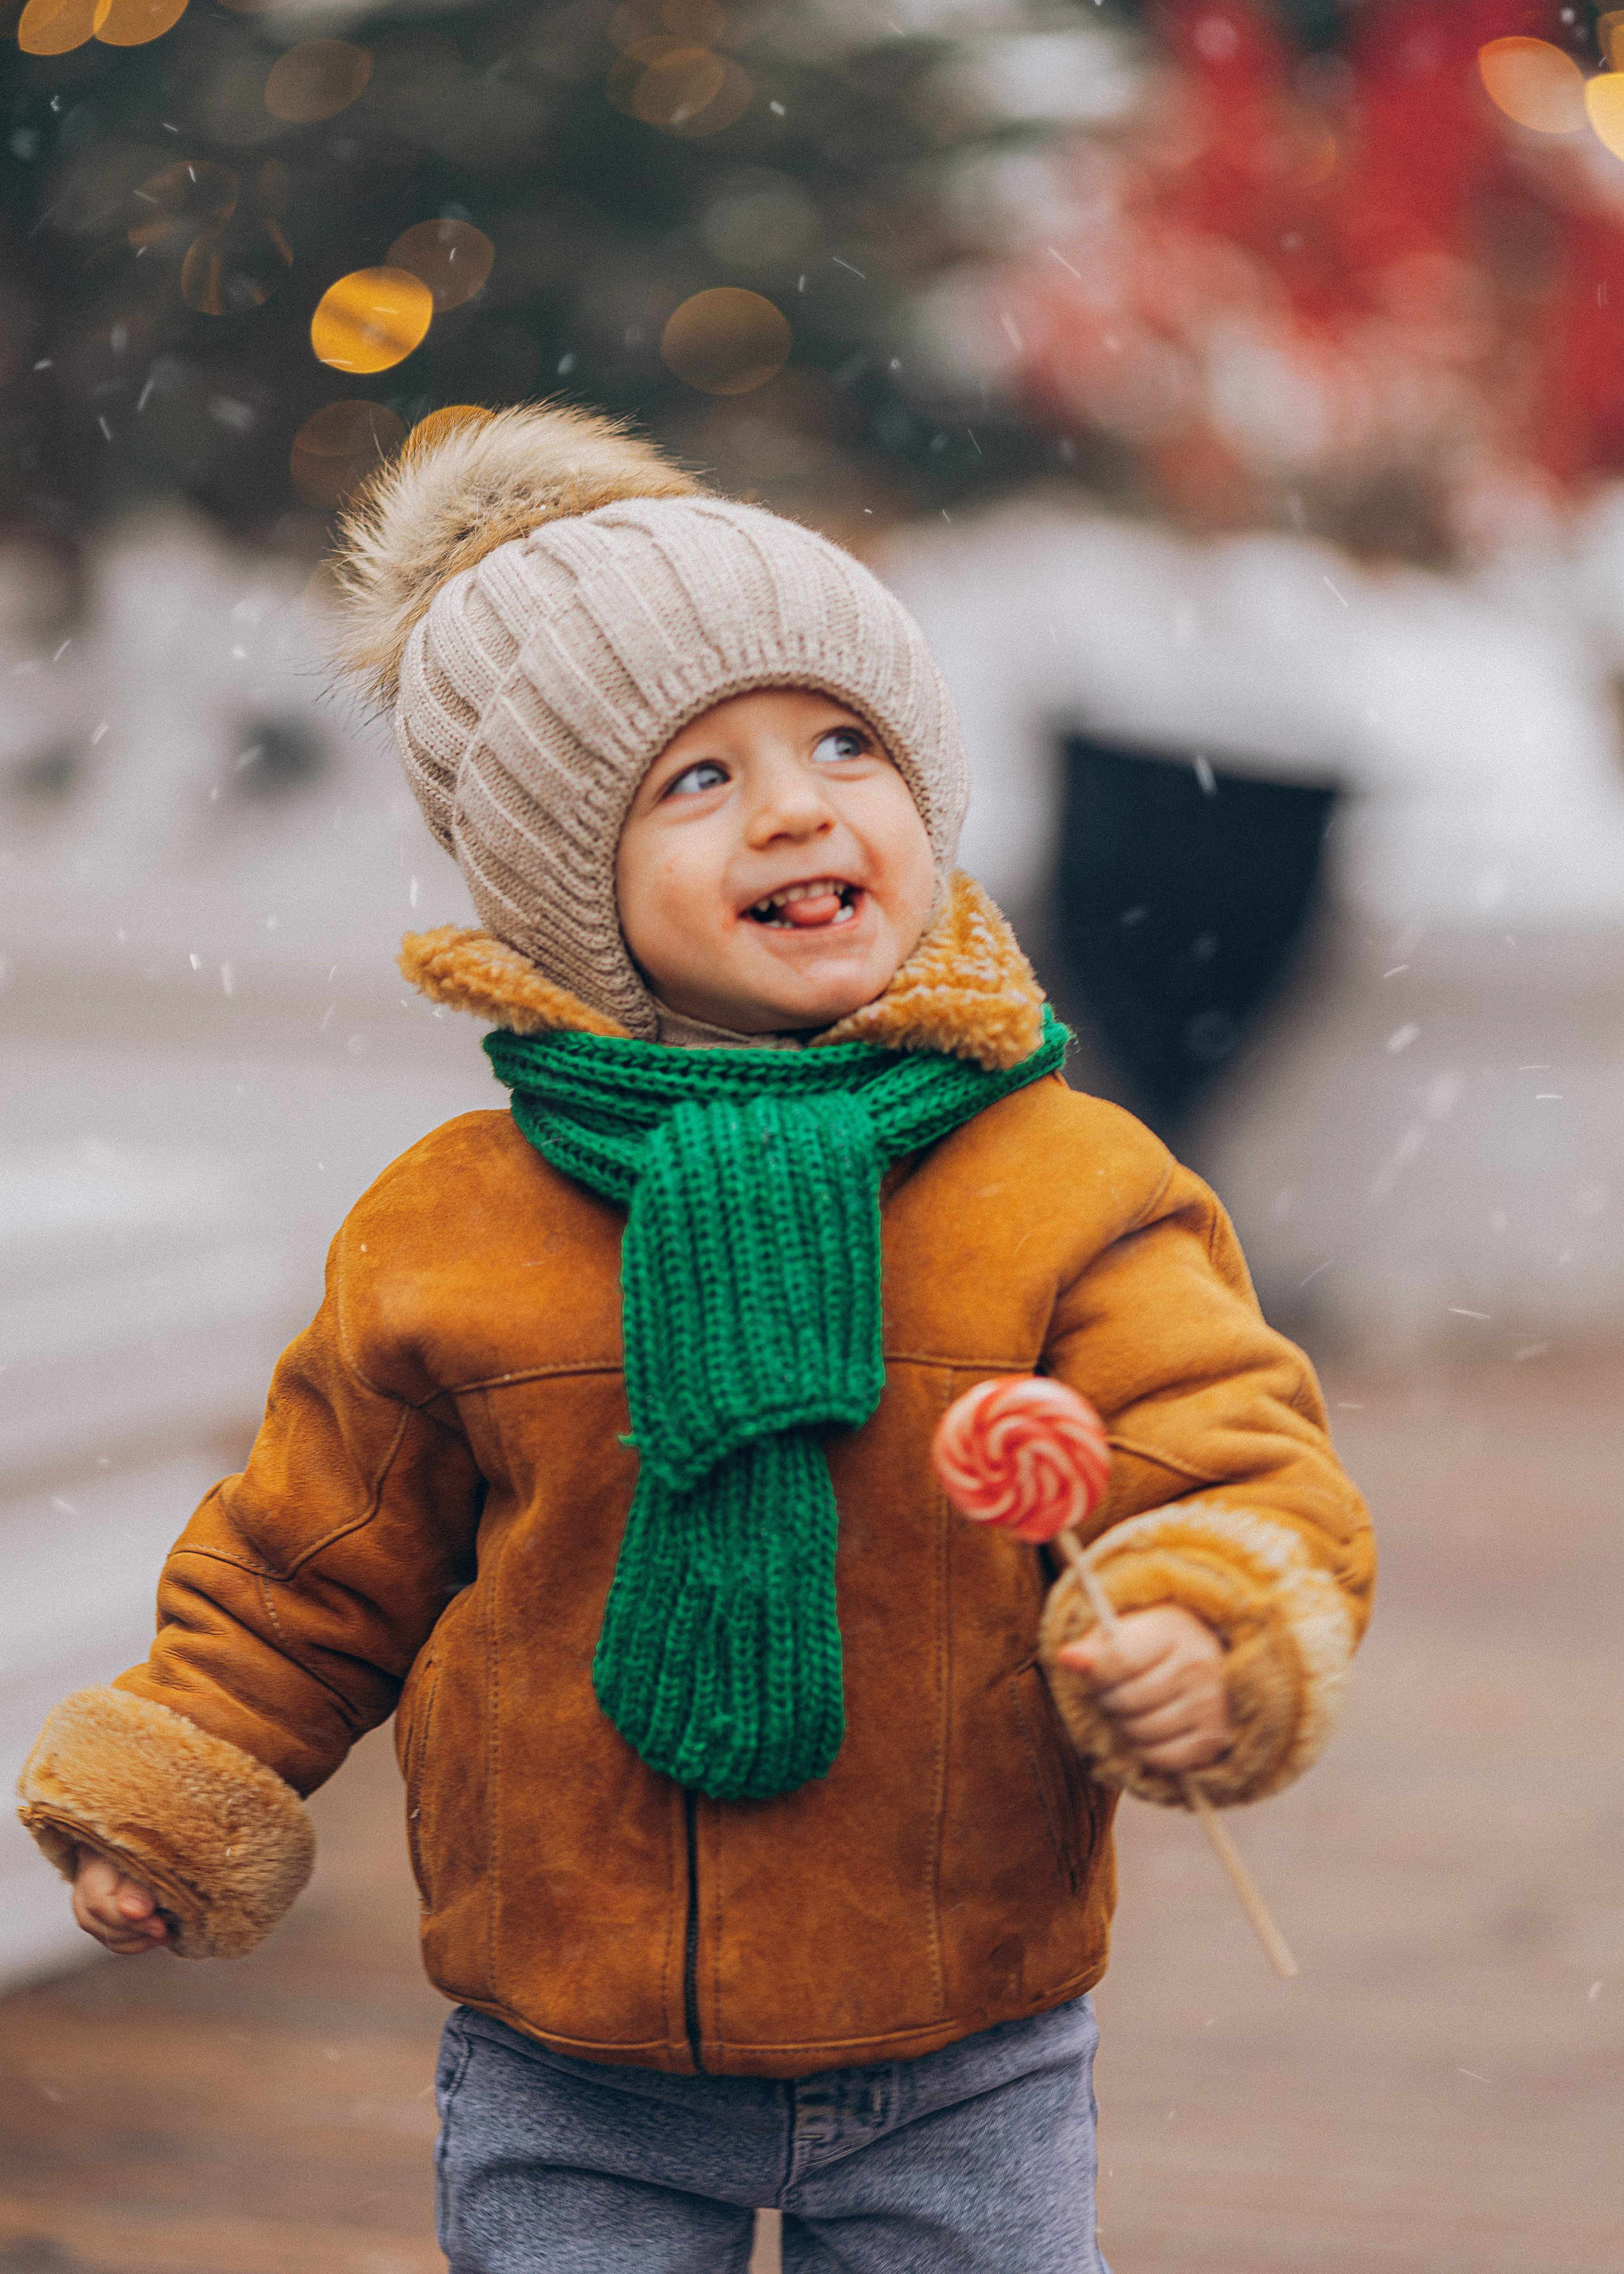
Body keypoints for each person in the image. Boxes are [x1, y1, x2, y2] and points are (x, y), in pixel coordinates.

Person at [20, 405, 1373, 2273]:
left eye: (845, 743)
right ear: (565, 884)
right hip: (567, 2038)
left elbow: (1225, 1450)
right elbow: (312, 1553)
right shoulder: (459, 1224)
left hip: (960, 2019)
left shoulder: (1065, 1185)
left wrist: (1205, 1628)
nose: (800, 807)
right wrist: (180, 1783)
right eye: (697, 779)